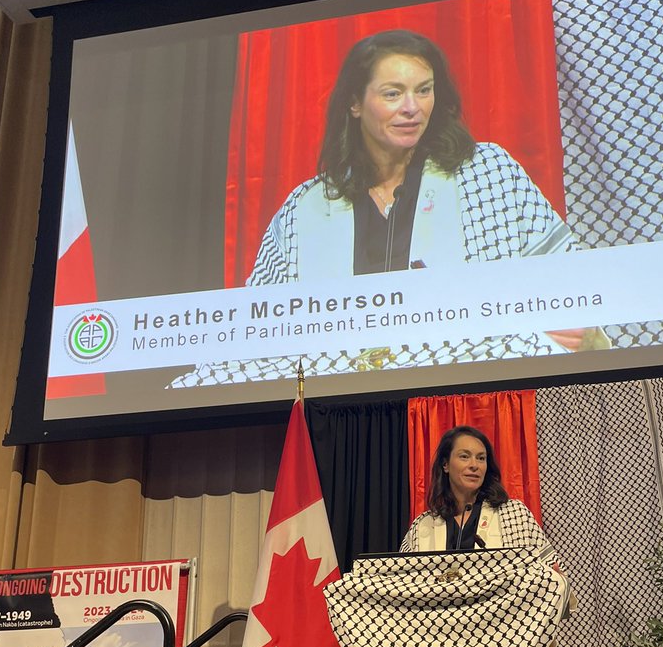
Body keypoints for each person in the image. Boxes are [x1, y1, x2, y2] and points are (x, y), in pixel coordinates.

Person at [172, 29, 608, 388]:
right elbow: (260, 326)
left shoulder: (487, 171)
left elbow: (565, 280)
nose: (412, 108)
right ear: (355, 103)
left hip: (462, 387)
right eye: (393, 93)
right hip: (341, 398)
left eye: (424, 91)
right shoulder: (305, 207)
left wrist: (575, 325)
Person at [400, 426, 564, 586]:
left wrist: (556, 580)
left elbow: (555, 572)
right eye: (464, 456)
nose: (474, 465)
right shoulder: (422, 526)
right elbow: (401, 583)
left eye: (481, 458)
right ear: (445, 464)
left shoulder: (516, 515)